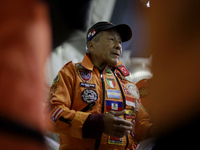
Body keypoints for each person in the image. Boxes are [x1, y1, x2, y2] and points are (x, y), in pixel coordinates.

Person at [45, 21, 155, 150]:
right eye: (112, 39)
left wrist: (153, 130)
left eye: (120, 42)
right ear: (92, 46)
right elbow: (51, 115)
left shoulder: (127, 83)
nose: (118, 46)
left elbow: (138, 125)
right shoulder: (70, 73)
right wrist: (96, 123)